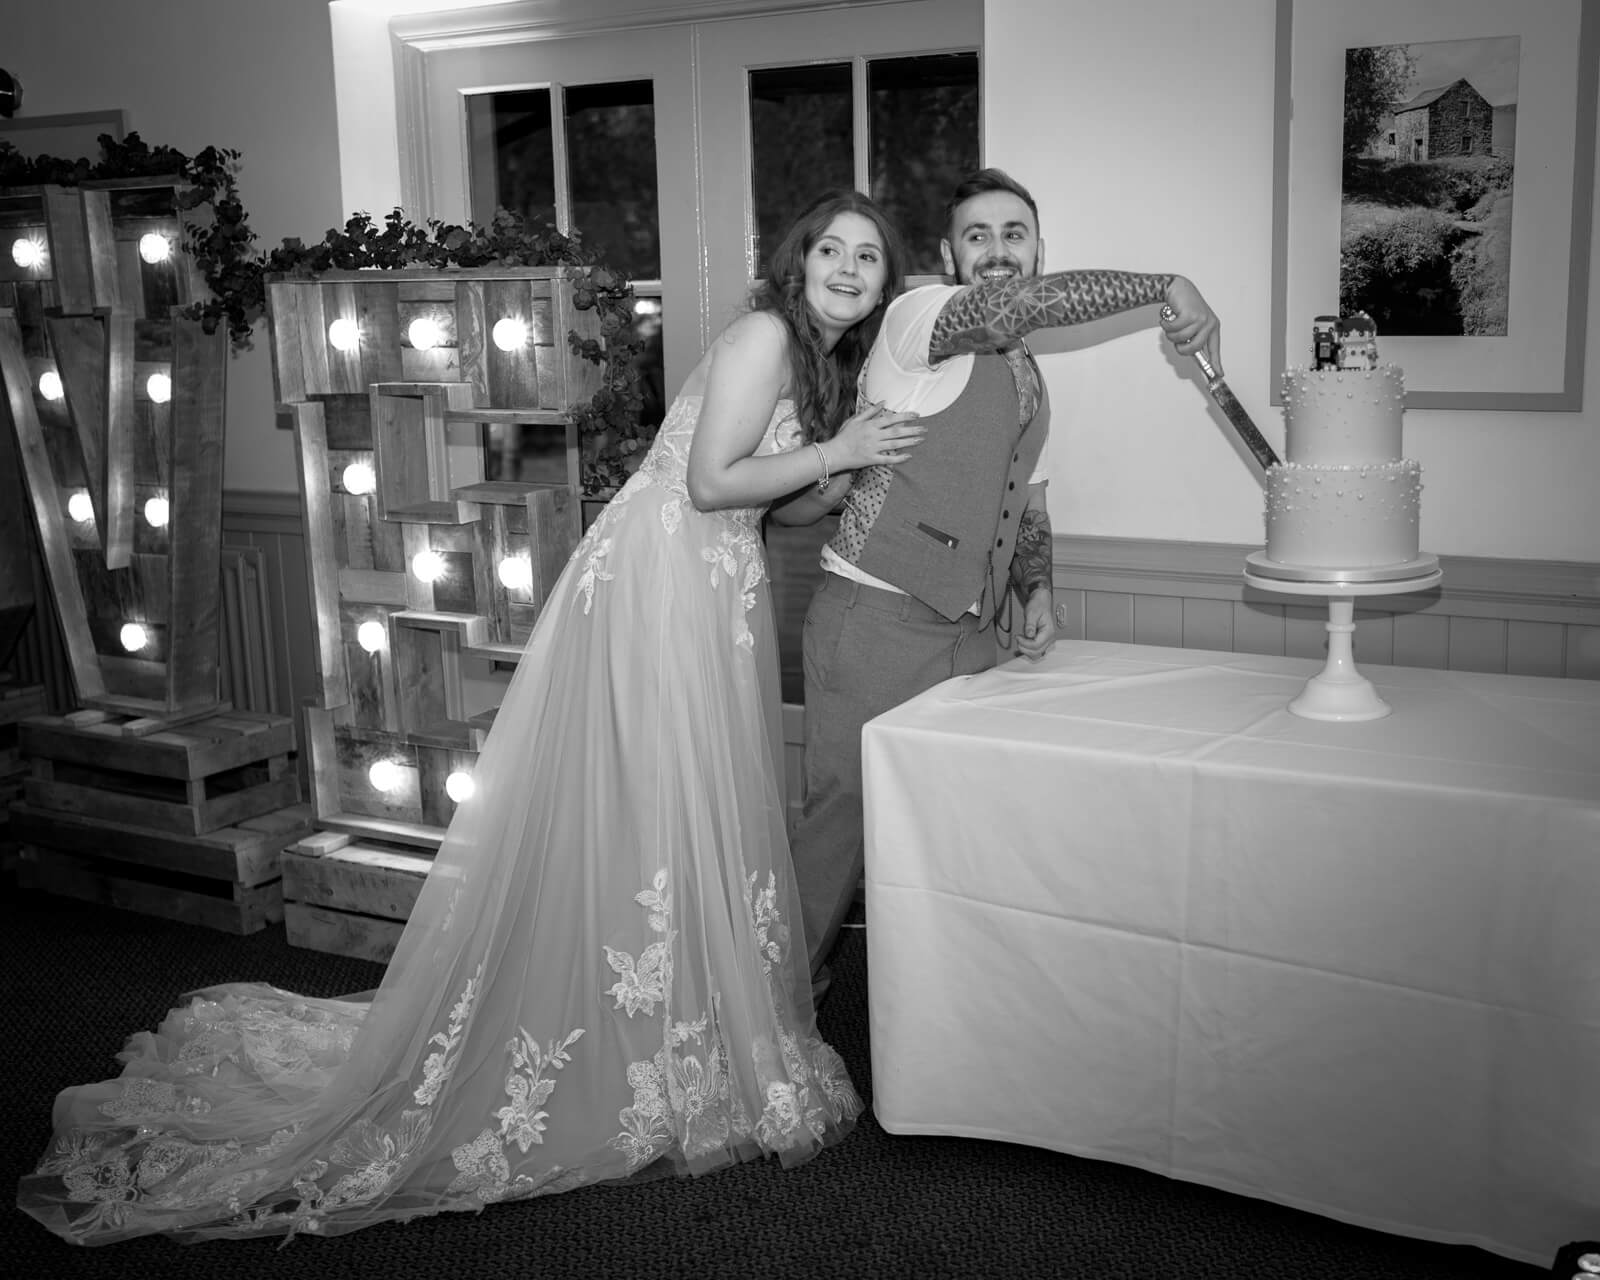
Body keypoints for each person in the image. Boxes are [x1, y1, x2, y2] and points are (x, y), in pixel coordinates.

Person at [17, 190, 925, 1244]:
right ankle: (638, 1027)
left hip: (715, 584)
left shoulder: (821, 360)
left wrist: (856, 458)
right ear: (798, 257)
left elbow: (773, 498)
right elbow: (716, 483)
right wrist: (835, 451)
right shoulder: (769, 329)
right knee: (651, 797)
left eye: (869, 256)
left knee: (679, 806)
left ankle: (677, 1019)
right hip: (662, 581)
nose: (851, 268)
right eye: (834, 249)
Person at [783, 168, 1221, 994]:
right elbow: (1023, 308)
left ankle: (941, 1014)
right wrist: (1167, 285)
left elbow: (1030, 493)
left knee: (956, 829)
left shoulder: (1027, 376)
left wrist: (1039, 590)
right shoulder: (921, 319)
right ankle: (773, 1017)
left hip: (969, 633)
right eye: (976, 236)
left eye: (1012, 234)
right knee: (839, 832)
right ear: (951, 255)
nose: (995, 251)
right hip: (874, 619)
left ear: (1037, 248)